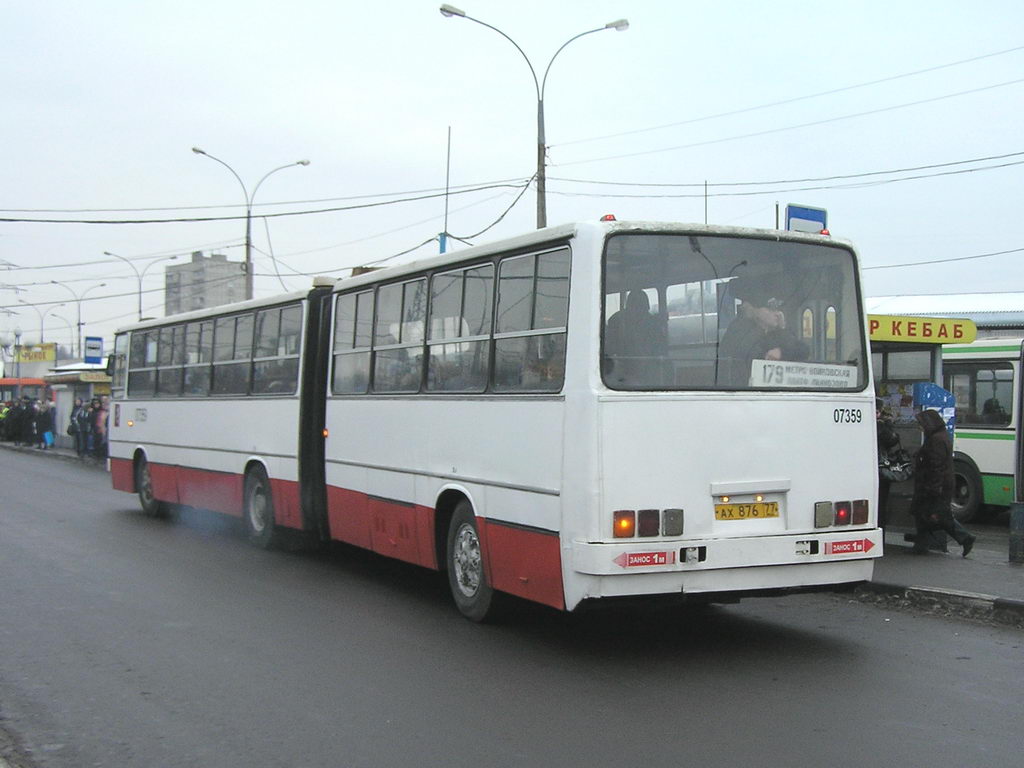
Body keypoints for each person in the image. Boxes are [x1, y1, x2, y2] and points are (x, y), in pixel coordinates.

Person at [909, 408, 976, 556]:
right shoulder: (939, 437)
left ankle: (965, 538)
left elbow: (936, 466)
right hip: (936, 485)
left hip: (934, 486)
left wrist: (933, 488)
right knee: (924, 514)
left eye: (921, 424)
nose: (920, 427)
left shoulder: (936, 440)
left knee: (938, 516)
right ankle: (921, 544)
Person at [718, 280, 807, 386]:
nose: (777, 313)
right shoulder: (739, 329)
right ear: (755, 310)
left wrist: (781, 349)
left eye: (777, 309)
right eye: (770, 309)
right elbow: (747, 354)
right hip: (742, 392)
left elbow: (803, 351)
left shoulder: (778, 331)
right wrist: (767, 355)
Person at [604, 289, 667, 386]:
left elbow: (661, 349)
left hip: (650, 369)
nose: (639, 312)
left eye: (642, 307)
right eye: (635, 307)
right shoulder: (616, 321)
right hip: (623, 369)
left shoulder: (653, 324)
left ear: (647, 307)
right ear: (629, 307)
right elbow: (610, 349)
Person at [875, 399, 900, 530]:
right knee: (879, 507)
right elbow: (892, 439)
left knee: (880, 507)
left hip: (879, 470)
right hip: (879, 470)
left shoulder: (879, 425)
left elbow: (891, 440)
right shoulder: (879, 426)